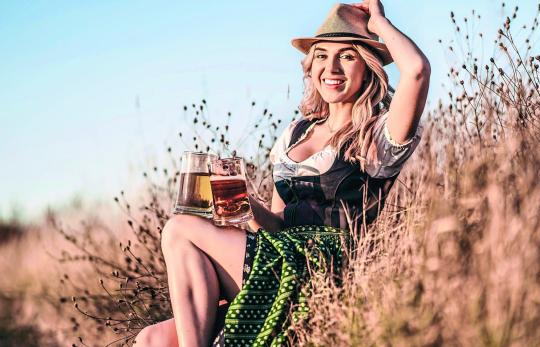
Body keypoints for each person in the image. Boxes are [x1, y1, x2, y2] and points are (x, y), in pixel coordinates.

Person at [134, 1, 430, 346]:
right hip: (279, 252)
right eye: (321, 55)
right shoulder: (296, 132)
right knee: (152, 338)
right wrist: (244, 199)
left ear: (368, 67)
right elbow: (275, 224)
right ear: (310, 65)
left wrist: (378, 22)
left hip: (323, 266)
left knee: (179, 228)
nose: (331, 67)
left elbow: (417, 71)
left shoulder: (377, 133)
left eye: (347, 56)